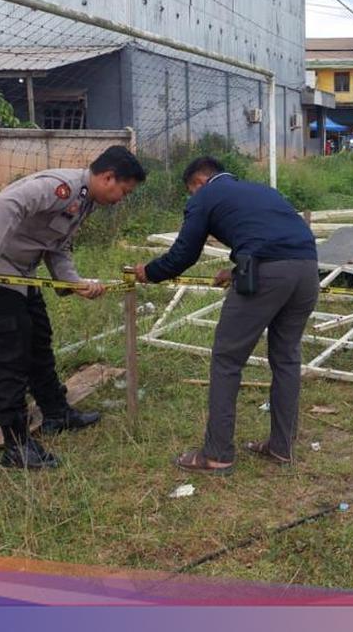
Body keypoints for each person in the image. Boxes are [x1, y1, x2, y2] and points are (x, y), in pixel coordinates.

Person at [0, 145, 146, 469]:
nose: (121, 198)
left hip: (16, 274)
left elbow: (57, 247)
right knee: (7, 355)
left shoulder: (83, 202)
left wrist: (73, 283)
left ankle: (56, 412)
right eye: (123, 191)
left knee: (39, 339)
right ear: (108, 177)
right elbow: (6, 206)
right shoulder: (59, 187)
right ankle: (16, 445)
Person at [133, 156, 318, 475]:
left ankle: (217, 454)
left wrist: (149, 272)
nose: (193, 197)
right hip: (307, 271)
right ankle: (281, 447)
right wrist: (237, 271)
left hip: (267, 274)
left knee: (227, 359)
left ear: (199, 182)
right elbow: (272, 237)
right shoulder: (262, 191)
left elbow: (184, 253)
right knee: (287, 358)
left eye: (191, 191)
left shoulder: (205, 196)